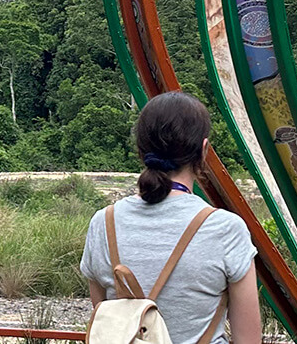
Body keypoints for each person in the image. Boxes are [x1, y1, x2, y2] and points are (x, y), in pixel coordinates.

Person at [79, 91, 261, 344]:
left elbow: (108, 322)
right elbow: (248, 339)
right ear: (204, 150)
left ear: (141, 151)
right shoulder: (225, 229)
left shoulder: (103, 223)